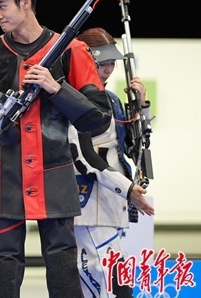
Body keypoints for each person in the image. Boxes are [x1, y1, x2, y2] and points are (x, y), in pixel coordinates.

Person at [0, 0, 112, 297]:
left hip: (55, 175)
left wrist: (57, 88)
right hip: (4, 176)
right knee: (4, 263)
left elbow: (98, 119)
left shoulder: (72, 50)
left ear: (25, 2)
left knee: (62, 263)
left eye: (2, 5)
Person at [73, 27, 155, 297]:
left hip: (115, 199)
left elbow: (131, 148)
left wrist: (141, 107)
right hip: (85, 197)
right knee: (94, 274)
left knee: (113, 273)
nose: (107, 70)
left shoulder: (113, 100)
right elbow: (85, 156)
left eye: (111, 64)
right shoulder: (72, 98)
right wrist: (127, 189)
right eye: (101, 64)